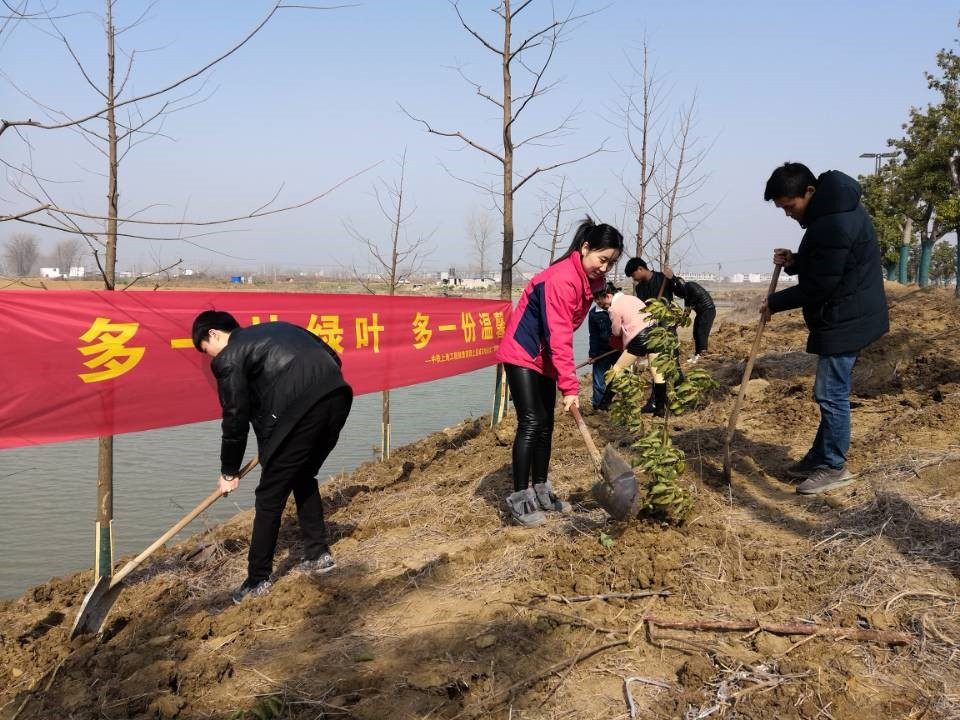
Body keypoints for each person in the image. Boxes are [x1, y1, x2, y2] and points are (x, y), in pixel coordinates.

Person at [192, 310, 353, 602]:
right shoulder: (279, 327)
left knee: (269, 496)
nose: (210, 356)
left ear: (213, 334)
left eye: (206, 349)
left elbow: (235, 417)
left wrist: (229, 471)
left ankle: (257, 580)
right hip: (337, 395)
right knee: (303, 476)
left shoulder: (229, 356)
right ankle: (318, 555)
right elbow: (332, 357)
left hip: (302, 410)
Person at [762, 162, 889, 495]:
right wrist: (796, 261)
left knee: (831, 394)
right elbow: (828, 262)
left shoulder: (834, 221)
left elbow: (821, 285)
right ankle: (820, 457)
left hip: (847, 317)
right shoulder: (831, 212)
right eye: (782, 209)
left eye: (790, 206)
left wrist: (774, 303)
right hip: (846, 312)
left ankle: (833, 467)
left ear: (809, 191)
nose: (788, 214)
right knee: (829, 392)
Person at [495, 218, 624, 526]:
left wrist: (564, 379)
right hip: (523, 352)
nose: (605, 268)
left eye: (611, 263)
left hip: (545, 357)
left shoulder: (589, 282)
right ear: (585, 248)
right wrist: (570, 386)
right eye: (602, 259)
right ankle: (519, 499)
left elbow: (559, 337)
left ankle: (541, 490)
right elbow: (560, 335)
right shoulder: (563, 279)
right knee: (531, 422)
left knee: (546, 424)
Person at [591, 282, 662, 414]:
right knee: (658, 373)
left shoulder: (614, 308)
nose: (600, 305)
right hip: (655, 333)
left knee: (617, 370)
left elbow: (616, 331)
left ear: (607, 296)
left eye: (600, 302)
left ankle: (603, 404)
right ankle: (660, 409)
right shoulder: (632, 298)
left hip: (639, 338)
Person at [669, 272, 716, 362]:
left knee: (701, 333)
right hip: (702, 313)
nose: (680, 295)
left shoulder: (690, 287)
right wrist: (680, 321)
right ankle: (697, 354)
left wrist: (681, 320)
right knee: (696, 332)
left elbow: (689, 307)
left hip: (708, 311)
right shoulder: (687, 292)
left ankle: (702, 354)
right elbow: (687, 311)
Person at [586, 299, 620, 410]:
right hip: (602, 351)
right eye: (596, 300)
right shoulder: (593, 314)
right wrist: (592, 355)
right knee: (599, 379)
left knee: (622, 375)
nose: (599, 302)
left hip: (619, 349)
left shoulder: (617, 307)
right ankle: (598, 405)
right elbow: (593, 335)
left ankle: (622, 403)